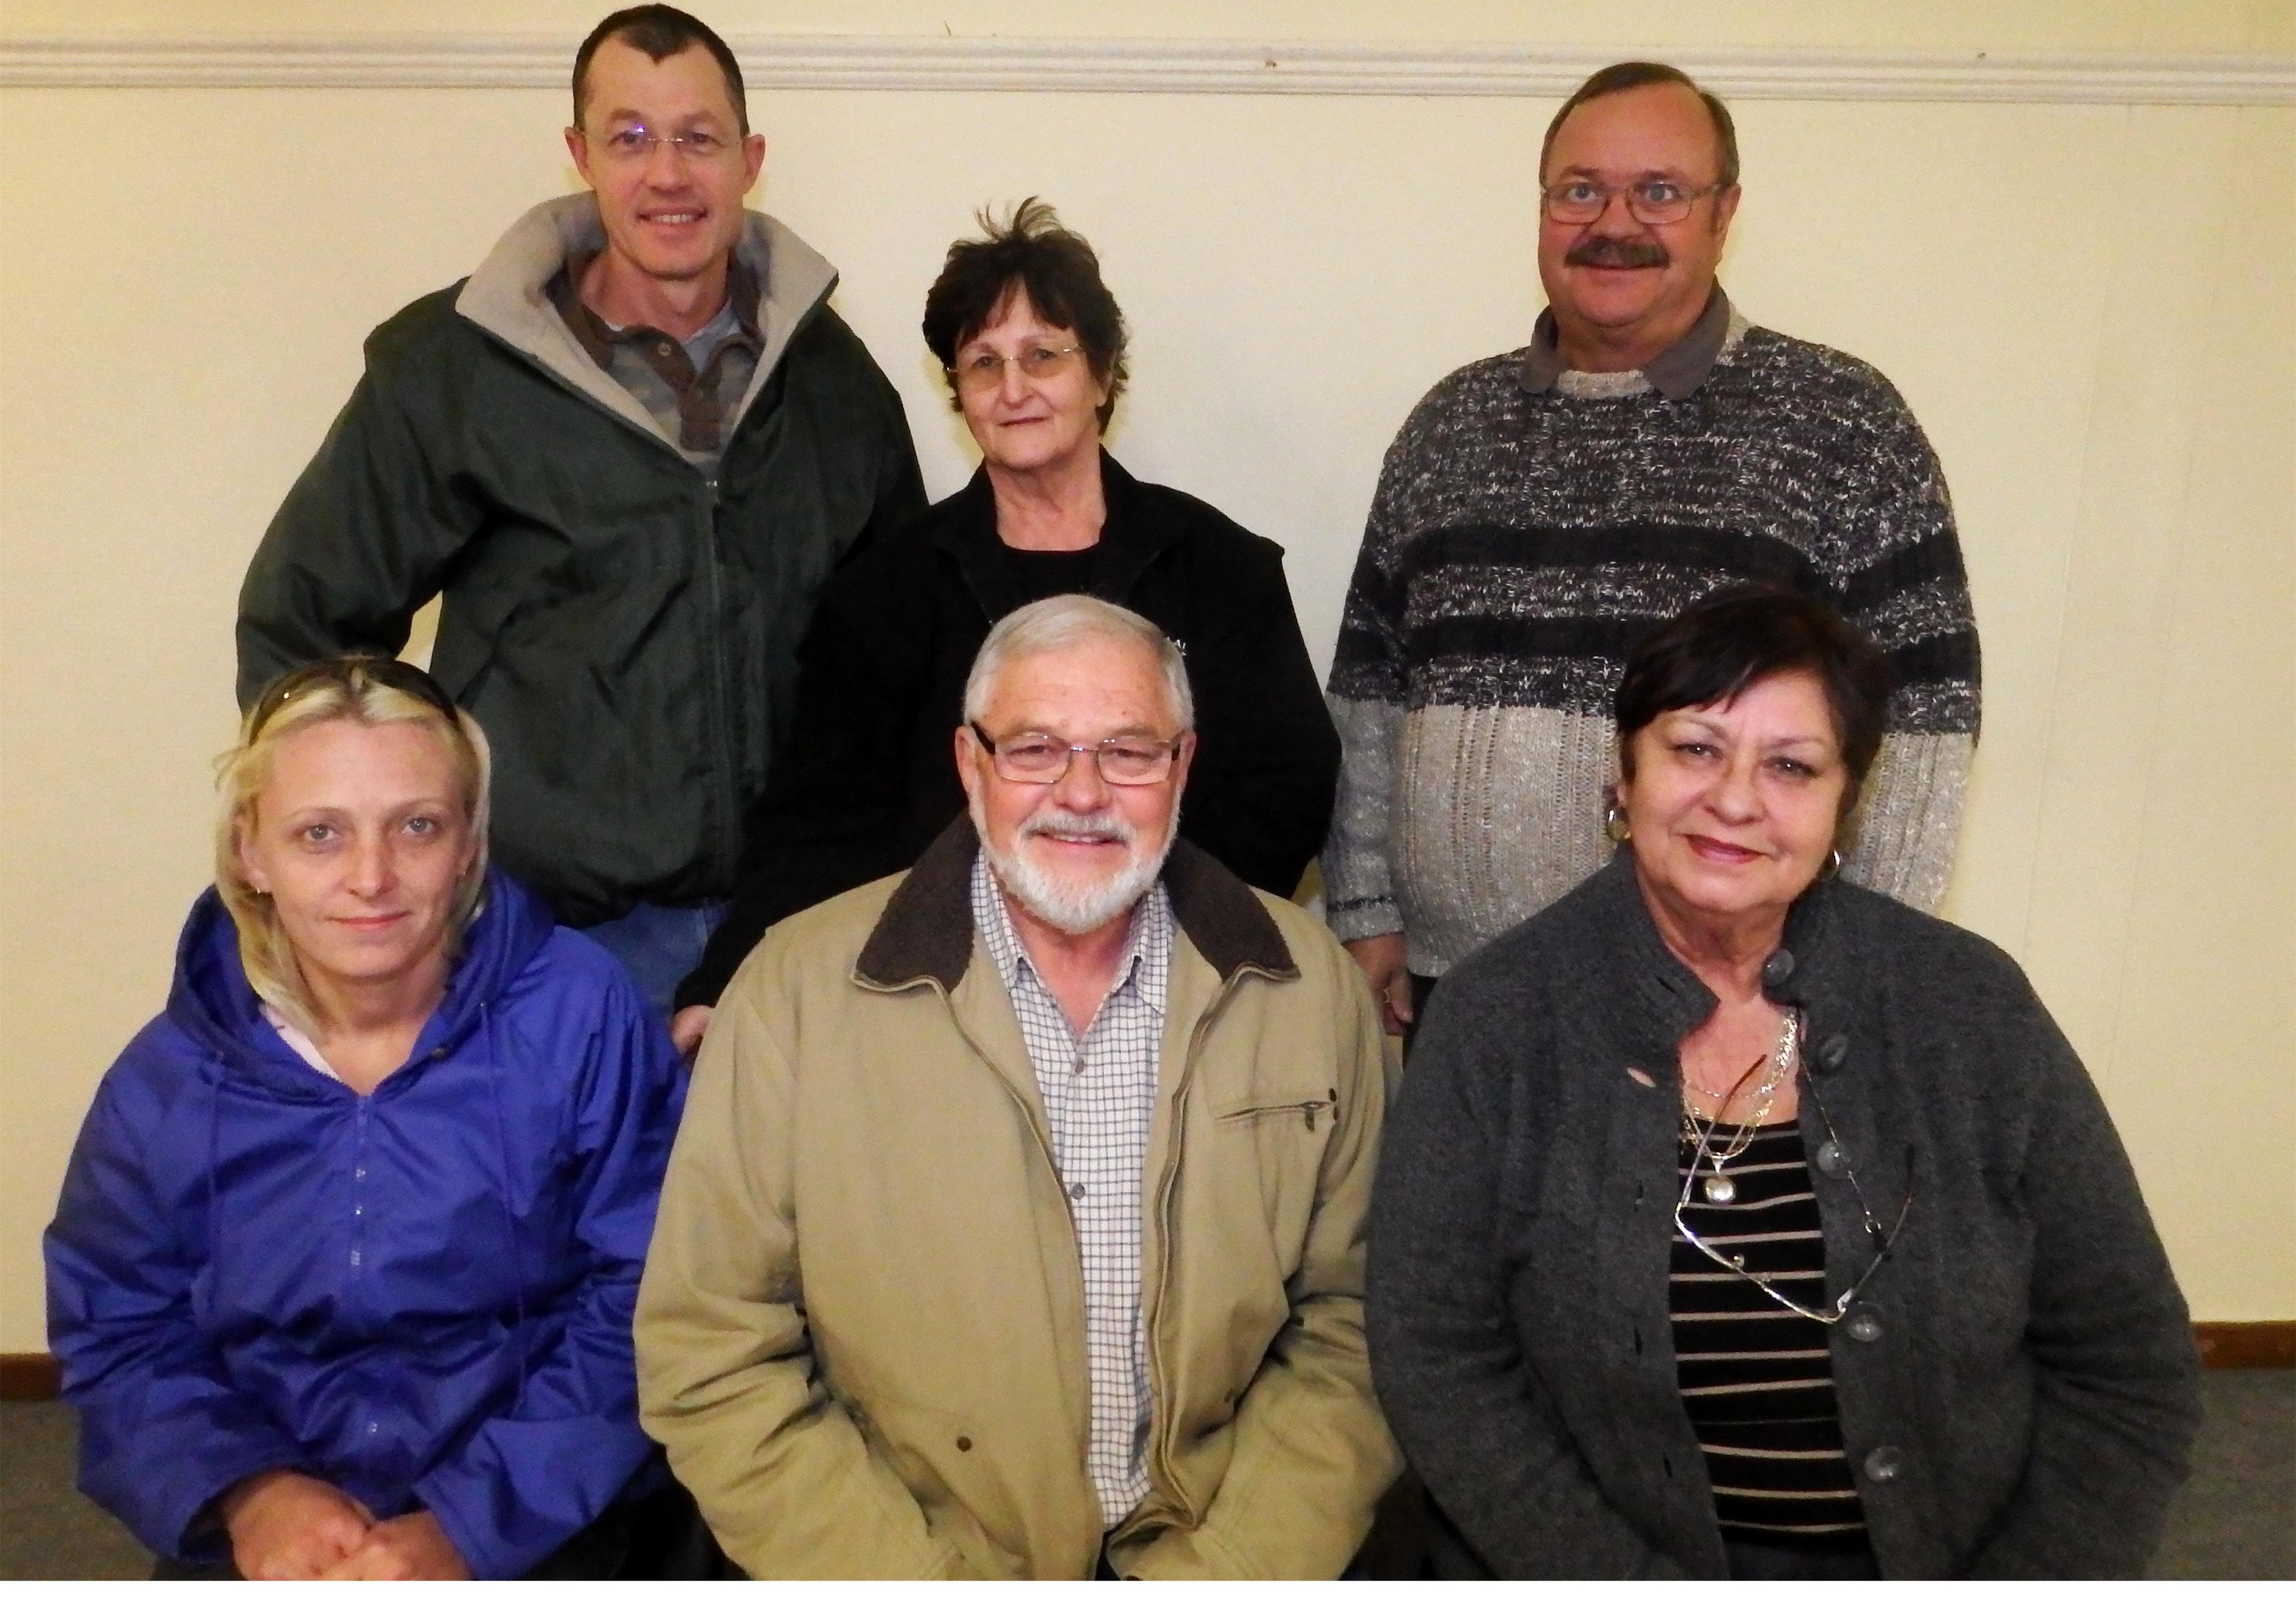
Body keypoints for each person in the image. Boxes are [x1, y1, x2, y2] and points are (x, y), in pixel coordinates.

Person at [1366, 588, 2200, 1579]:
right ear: (1623, 775)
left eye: (1791, 766)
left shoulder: (1969, 1005)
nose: (1735, 800)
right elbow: (1437, 1362)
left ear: (1844, 803)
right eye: (1696, 749)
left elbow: (2128, 1364)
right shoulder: (1496, 1018)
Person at [636, 596, 1397, 1577]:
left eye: (1128, 751)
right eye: (1034, 749)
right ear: (970, 763)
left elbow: (1359, 1328)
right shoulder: (794, 993)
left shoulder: (1307, 989)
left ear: (1182, 766)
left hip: (1220, 1553)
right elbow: (714, 1353)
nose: (1081, 793)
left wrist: (1228, 1574)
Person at [235, 6, 926, 1016]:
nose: (667, 174)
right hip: (542, 950)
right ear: (581, 156)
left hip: (790, 942)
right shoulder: (454, 371)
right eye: (630, 138)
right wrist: (377, 875)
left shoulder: (835, 385)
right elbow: (303, 624)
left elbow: (902, 663)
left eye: (698, 138)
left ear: (749, 160)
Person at [1324, 60, 1981, 1036]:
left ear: (1725, 214)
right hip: (1457, 992)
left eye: (1661, 192)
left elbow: (1924, 713)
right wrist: (1366, 904)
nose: (1614, 223)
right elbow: (1371, 686)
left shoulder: (1840, 423)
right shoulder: (1447, 424)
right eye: (1579, 190)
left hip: (1731, 1003)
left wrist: (1852, 963)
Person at [44, 657, 700, 1580]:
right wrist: (252, 1492)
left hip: (551, 1511)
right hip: (276, 1527)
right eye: (319, 834)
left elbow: (652, 1293)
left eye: (417, 826)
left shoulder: (583, 1017)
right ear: (251, 853)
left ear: (469, 844)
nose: (371, 878)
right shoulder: (167, 1079)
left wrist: (471, 1525)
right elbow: (119, 1329)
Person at [670, 199, 1337, 1052]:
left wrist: (1130, 920)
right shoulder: (884, 593)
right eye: (984, 363)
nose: (1014, 389)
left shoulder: (1218, 569)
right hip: (936, 1007)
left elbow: (1286, 785)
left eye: (1043, 356)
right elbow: (818, 823)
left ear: (1101, 375)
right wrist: (726, 980)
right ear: (960, 394)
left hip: (1174, 992)